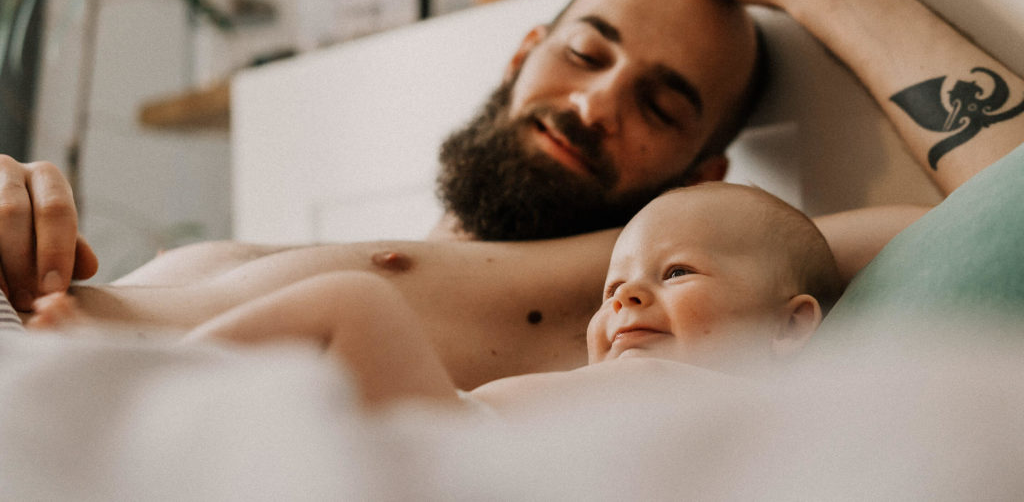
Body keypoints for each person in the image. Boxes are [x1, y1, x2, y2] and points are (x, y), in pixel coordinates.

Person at [2, 0, 1022, 389]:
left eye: (661, 104)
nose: (593, 105)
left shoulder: (662, 291)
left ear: (700, 169)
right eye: (586, 53)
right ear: (522, 51)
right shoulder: (275, 240)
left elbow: (1008, 203)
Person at [30, 182, 842, 413]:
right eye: (611, 287)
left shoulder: (759, 412)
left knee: (353, 304)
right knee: (346, 313)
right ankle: (126, 390)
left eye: (677, 274)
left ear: (789, 323)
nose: (625, 293)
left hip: (457, 446)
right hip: (441, 441)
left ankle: (117, 387)